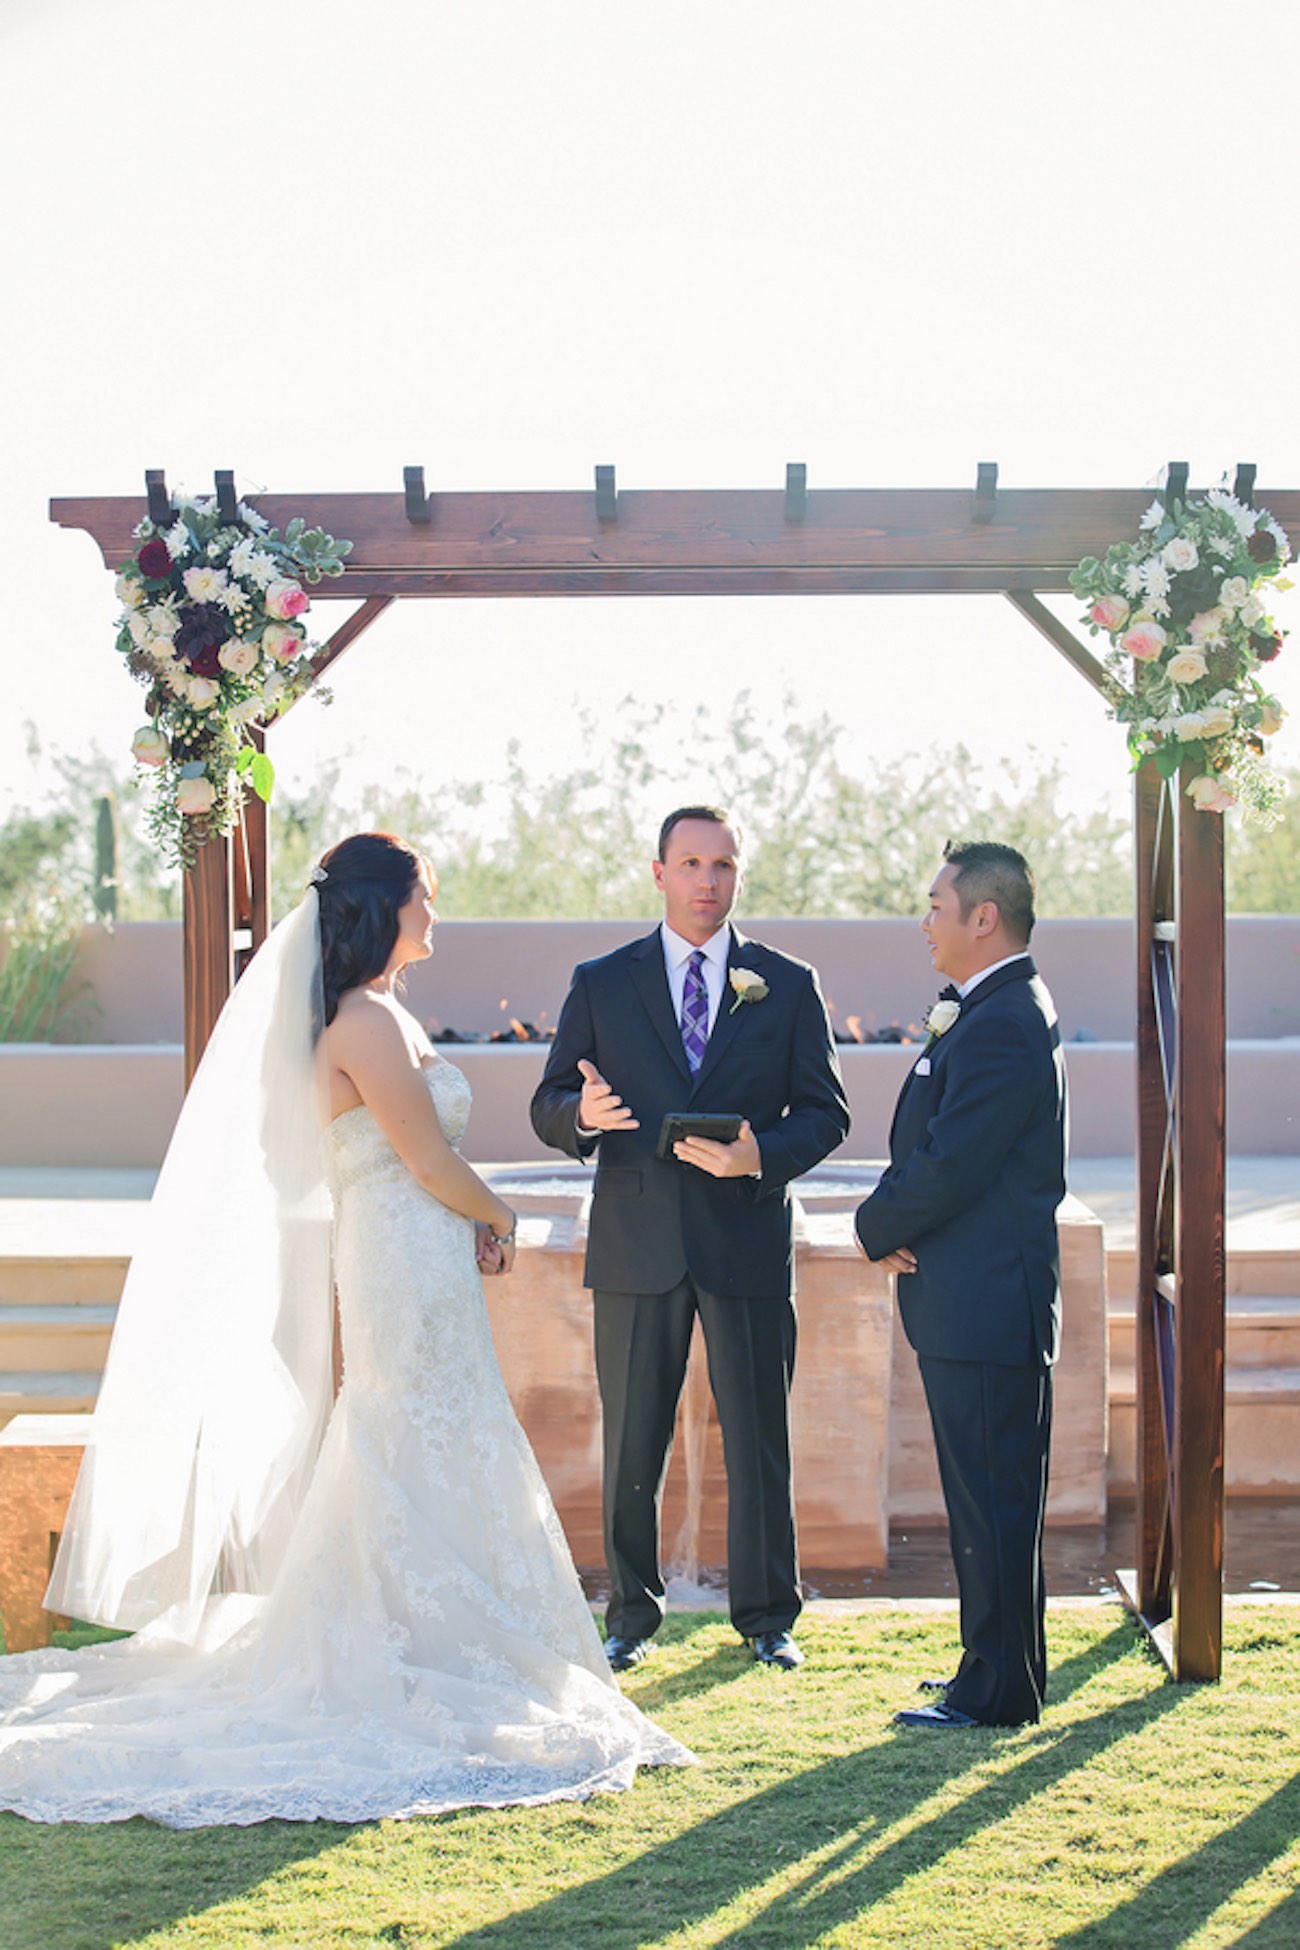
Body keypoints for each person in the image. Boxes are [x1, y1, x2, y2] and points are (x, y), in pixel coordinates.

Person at [0, 833, 691, 1825]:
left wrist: (471, 1228)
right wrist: (498, 1219)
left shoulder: (383, 1013)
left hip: (421, 1255)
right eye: (428, 897)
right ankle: (401, 1642)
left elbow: (422, 1163)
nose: (438, 912)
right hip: (399, 1265)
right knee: (407, 1424)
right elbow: (421, 1156)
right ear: (386, 909)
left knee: (433, 1428)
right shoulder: (363, 1020)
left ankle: (430, 1634)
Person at [530, 807, 850, 1674]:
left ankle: (767, 1618)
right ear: (660, 872)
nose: (708, 880)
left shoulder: (787, 982)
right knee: (634, 1437)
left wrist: (761, 1156)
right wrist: (580, 1119)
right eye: (691, 863)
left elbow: (828, 1113)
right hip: (637, 1244)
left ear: (738, 874)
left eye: (723, 864)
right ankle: (631, 1613)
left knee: (758, 1437)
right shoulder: (601, 982)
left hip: (745, 1239)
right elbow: (548, 1101)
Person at [855, 840, 1066, 1730]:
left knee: (991, 1503)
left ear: (984, 918)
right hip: (970, 1298)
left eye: (937, 906)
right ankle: (998, 1671)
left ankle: (995, 1693)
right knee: (991, 1501)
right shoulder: (990, 1007)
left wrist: (878, 1227)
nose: (925, 921)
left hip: (985, 1307)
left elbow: (955, 1164)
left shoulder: (1006, 1019)